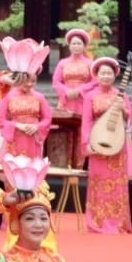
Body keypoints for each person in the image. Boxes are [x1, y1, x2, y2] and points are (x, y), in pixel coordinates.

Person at [81, 56, 132, 234]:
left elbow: (129, 118)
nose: (105, 76)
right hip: (98, 142)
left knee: (117, 183)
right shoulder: (90, 96)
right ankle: (98, 221)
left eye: (109, 73)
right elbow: (86, 122)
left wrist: (124, 110)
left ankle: (118, 222)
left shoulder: (121, 95)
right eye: (102, 73)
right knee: (99, 182)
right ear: (96, 75)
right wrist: (87, 143)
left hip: (117, 144)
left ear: (114, 75)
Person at [52, 28, 94, 167]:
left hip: (83, 101)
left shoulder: (89, 64)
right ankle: (63, 162)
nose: (76, 46)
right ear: (69, 46)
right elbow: (56, 82)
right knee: (64, 129)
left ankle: (80, 164)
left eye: (79, 43)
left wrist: (80, 90)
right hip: (66, 101)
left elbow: (95, 82)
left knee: (83, 130)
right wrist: (66, 91)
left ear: (84, 46)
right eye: (73, 43)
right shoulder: (62, 63)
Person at [0, 72, 52, 160]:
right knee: (13, 164)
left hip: (32, 137)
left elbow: (47, 118)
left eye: (33, 81)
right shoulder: (9, 96)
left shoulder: (39, 97)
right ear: (19, 79)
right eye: (26, 81)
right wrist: (17, 125)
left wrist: (37, 127)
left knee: (32, 165)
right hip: (14, 138)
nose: (29, 84)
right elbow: (1, 120)